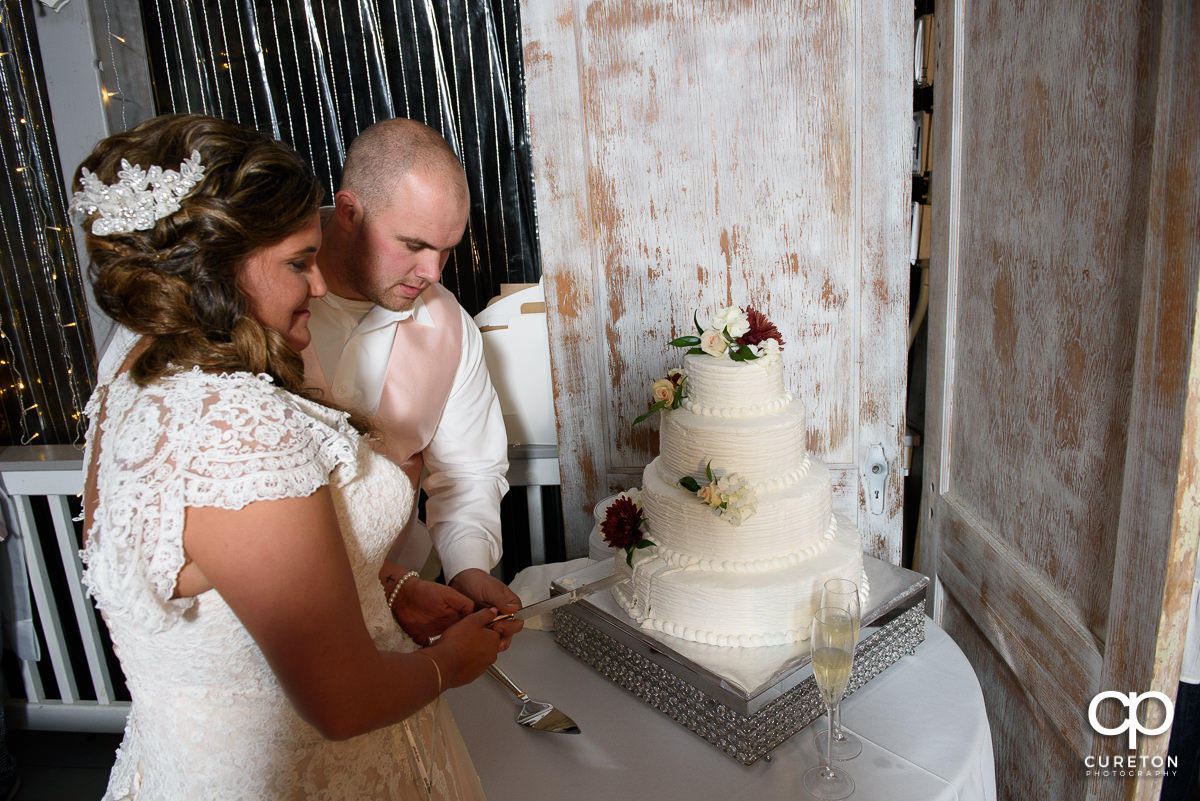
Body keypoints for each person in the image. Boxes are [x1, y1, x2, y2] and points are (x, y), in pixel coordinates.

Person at [74, 113, 500, 800]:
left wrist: (397, 585)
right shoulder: (240, 421)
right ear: (216, 271)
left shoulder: (138, 374)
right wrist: (451, 665)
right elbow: (340, 698)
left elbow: (229, 567)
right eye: (300, 262)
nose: (319, 282)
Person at [303, 118, 519, 621]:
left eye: (446, 250)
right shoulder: (257, 299)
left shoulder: (450, 326)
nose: (433, 273)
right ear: (351, 212)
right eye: (414, 245)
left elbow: (469, 472)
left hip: (402, 601)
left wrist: (467, 567)